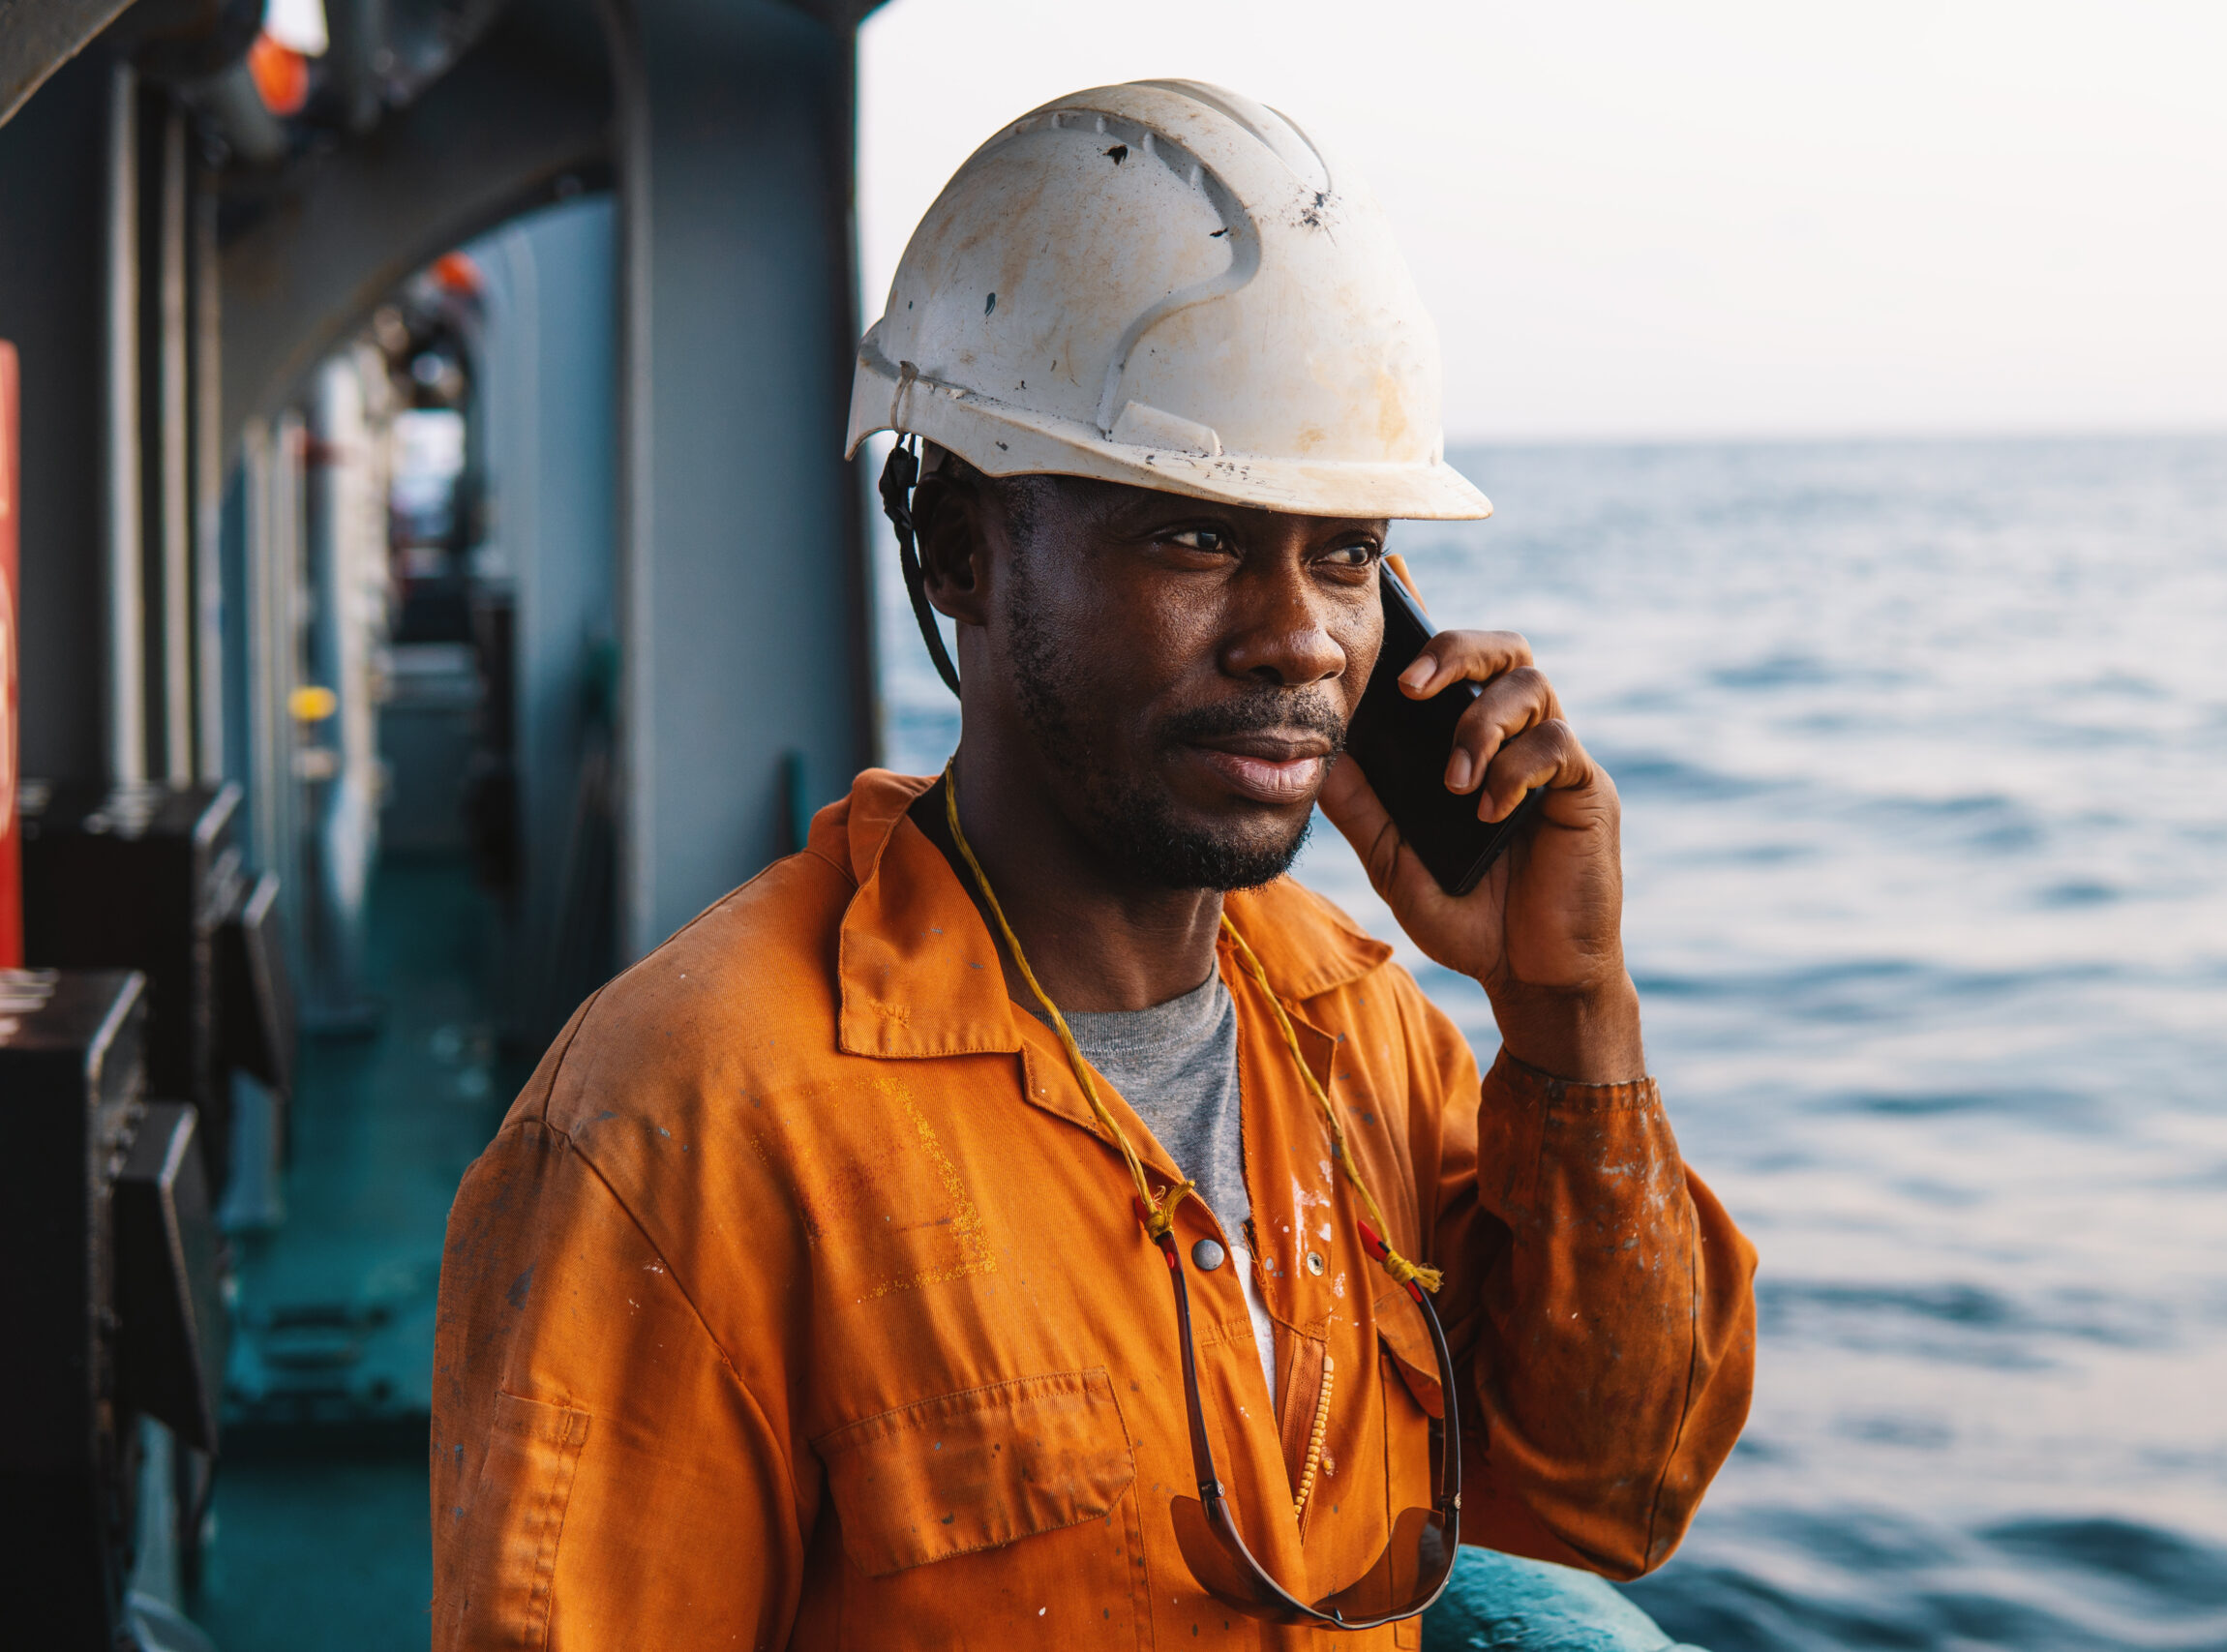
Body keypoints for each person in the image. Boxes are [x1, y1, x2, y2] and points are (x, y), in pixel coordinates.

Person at [431, 79, 1755, 1651]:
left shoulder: (1352, 1030)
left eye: (1344, 555)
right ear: (959, 550)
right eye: (1196, 539)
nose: (1299, 640)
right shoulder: (692, 1123)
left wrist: (1570, 1008)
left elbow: (1610, 1491)